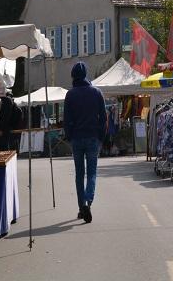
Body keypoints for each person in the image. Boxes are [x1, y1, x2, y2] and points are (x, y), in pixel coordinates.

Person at [64, 61, 106, 224]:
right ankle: (89, 201)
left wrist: (69, 137)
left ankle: (81, 207)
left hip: (77, 138)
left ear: (73, 76)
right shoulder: (96, 92)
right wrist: (101, 137)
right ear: (86, 75)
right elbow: (103, 118)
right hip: (93, 137)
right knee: (92, 172)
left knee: (79, 174)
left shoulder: (70, 94)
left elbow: (67, 120)